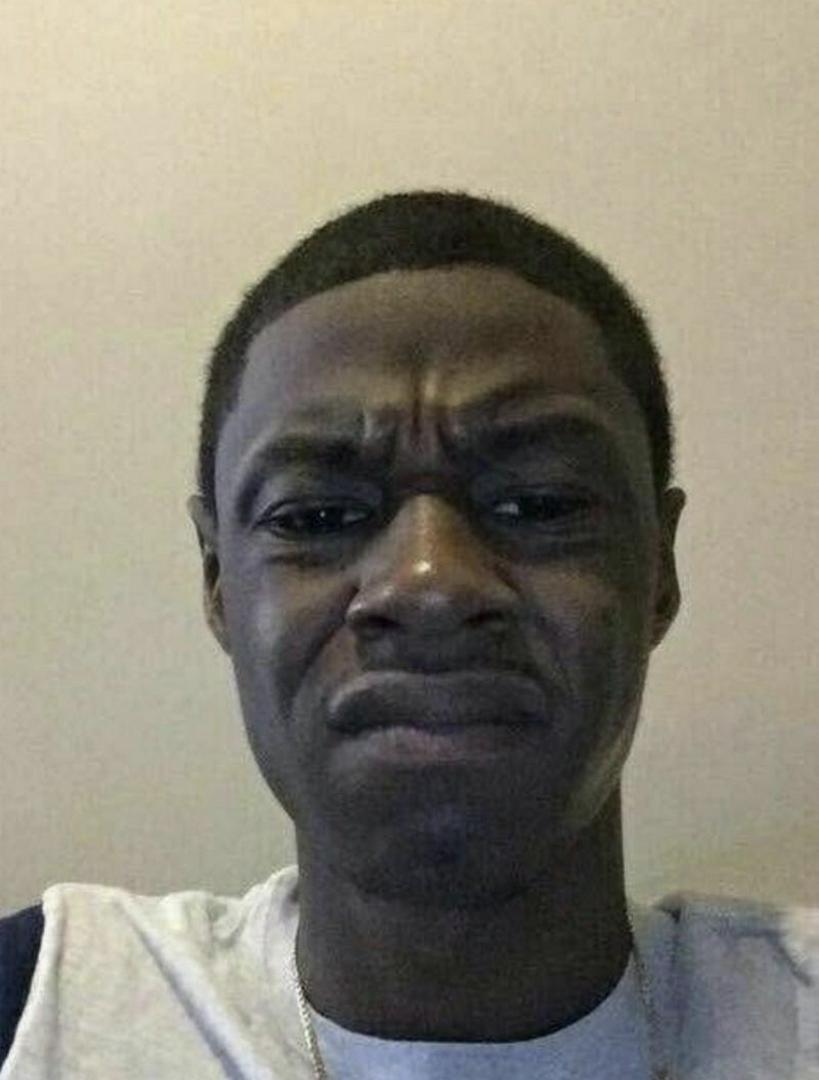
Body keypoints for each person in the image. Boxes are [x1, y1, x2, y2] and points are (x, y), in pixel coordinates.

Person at [1, 191, 817, 1079]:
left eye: (537, 503)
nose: (430, 582)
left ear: (656, 567)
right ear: (217, 581)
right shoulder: (46, 1006)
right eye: (316, 516)